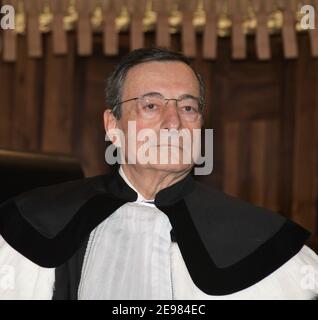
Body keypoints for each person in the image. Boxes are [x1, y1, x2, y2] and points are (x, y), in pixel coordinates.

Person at [0, 48, 318, 300]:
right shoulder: (33, 223)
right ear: (113, 126)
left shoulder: (268, 246)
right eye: (151, 106)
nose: (173, 122)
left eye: (188, 108)